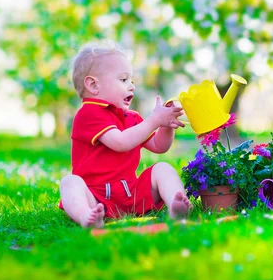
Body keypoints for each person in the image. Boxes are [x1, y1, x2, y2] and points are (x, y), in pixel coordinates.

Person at [59, 41, 192, 228]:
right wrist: (154, 120)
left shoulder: (132, 117)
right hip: (96, 198)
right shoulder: (88, 113)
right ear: (93, 85)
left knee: (162, 168)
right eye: (123, 80)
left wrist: (165, 126)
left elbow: (159, 147)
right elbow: (120, 142)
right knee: (70, 182)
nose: (132, 87)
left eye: (132, 81)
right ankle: (86, 216)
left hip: (131, 194)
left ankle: (176, 204)